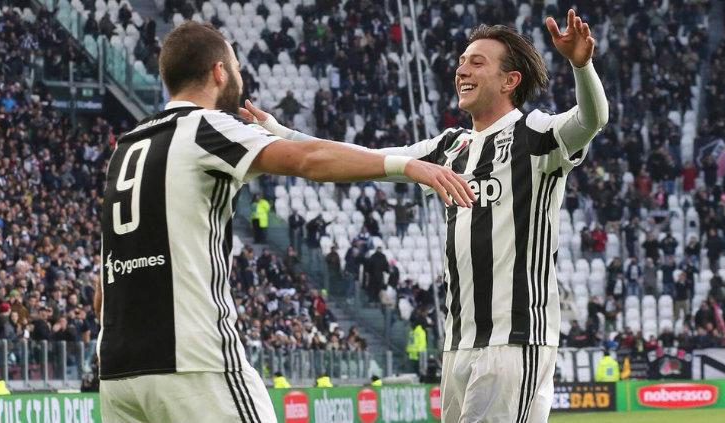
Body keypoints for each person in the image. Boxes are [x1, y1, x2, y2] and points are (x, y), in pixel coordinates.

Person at [97, 22, 475, 423]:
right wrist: (407, 165)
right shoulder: (205, 127)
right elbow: (308, 161)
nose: (239, 75)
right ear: (219, 72)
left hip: (118, 372)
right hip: (191, 362)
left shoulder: (128, 147)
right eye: (236, 66)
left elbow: (101, 290)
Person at [242, 9, 608, 422]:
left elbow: (591, 120)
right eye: (461, 61)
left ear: (510, 81)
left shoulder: (536, 134)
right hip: (458, 343)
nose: (461, 70)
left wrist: (582, 65)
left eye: (476, 62)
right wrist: (286, 135)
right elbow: (372, 160)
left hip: (515, 339)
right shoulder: (451, 146)